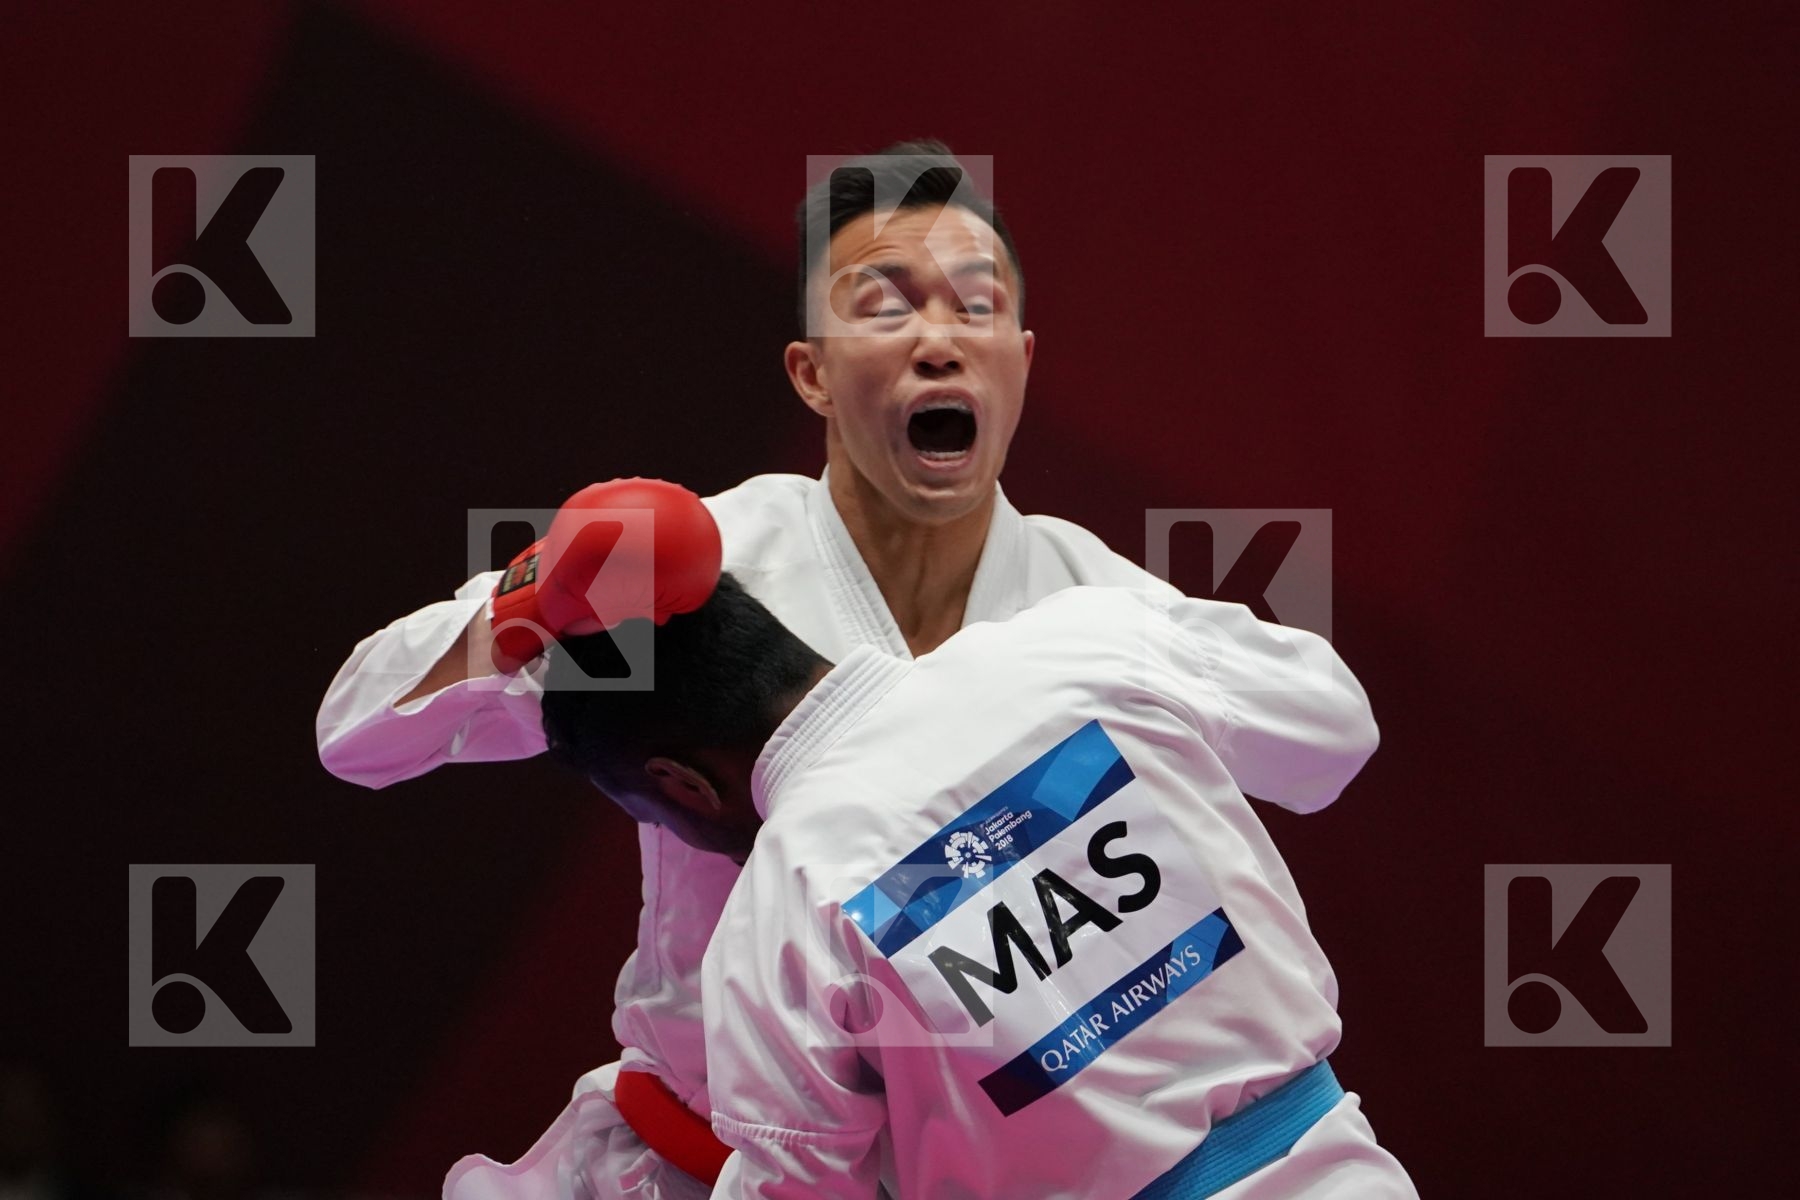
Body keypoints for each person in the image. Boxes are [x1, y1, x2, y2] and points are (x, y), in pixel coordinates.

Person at [316, 141, 1375, 1197]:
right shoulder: (690, 568)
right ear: (812, 373)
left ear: (1022, 359)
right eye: (885, 305)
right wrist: (527, 598)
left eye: (977, 304)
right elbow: (356, 734)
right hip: (696, 1160)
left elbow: (1328, 741)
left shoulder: (1086, 610)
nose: (938, 338)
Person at [539, 574, 1410, 1198]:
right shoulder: (1083, 641)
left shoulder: (777, 915)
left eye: (650, 813)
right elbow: (1334, 728)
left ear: (682, 784)